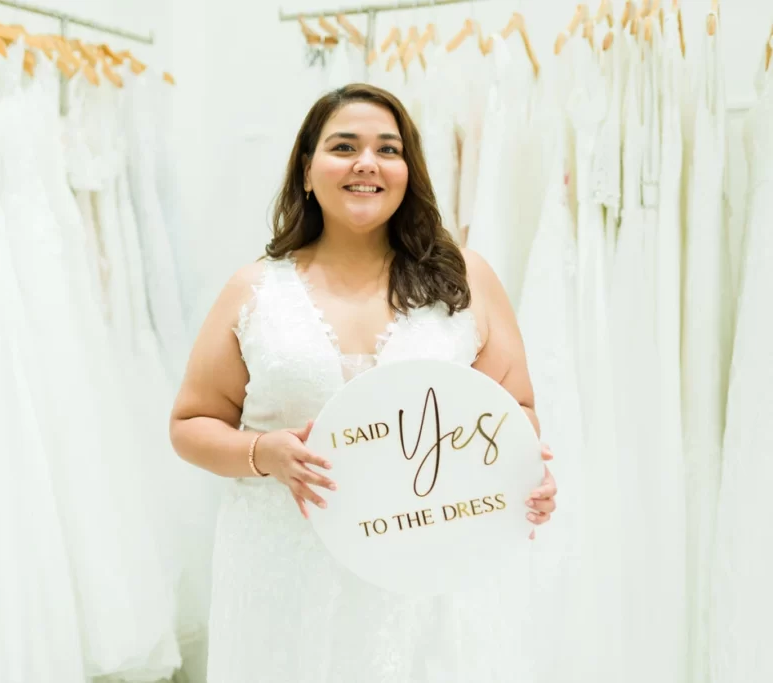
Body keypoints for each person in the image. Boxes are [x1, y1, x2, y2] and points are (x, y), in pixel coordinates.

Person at [169, 83, 557, 682]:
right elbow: (190, 425)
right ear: (306, 170)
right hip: (284, 571)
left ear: (408, 169)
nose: (366, 163)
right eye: (343, 146)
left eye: (388, 149)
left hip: (425, 578)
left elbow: (516, 411)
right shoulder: (254, 291)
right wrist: (261, 453)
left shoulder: (465, 279)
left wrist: (523, 475)